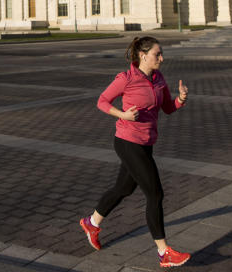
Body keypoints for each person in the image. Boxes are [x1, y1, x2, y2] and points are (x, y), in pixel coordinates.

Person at [79, 36, 191, 268]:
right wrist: (122, 115)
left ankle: (92, 222)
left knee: (124, 188)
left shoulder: (159, 78)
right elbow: (102, 101)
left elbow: (167, 109)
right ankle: (164, 253)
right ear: (143, 55)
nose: (162, 57)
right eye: (157, 54)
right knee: (155, 194)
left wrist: (180, 99)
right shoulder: (126, 78)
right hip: (127, 141)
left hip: (146, 142)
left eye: (161, 53)